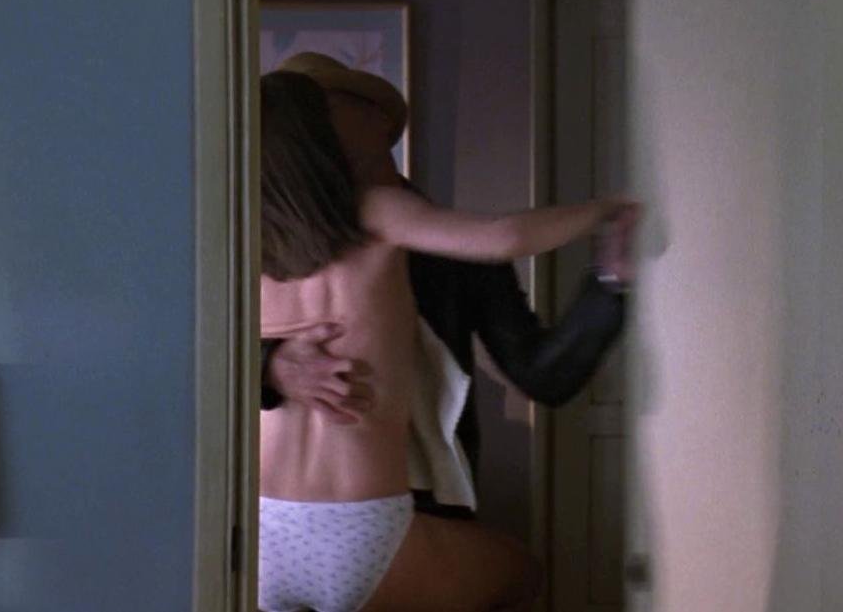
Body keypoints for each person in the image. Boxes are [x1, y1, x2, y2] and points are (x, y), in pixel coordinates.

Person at [257, 70, 634, 612]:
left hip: (273, 524)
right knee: (523, 575)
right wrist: (607, 211)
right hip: (364, 524)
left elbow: (541, 371)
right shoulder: (378, 214)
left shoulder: (254, 240)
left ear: (374, 122)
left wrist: (609, 281)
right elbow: (506, 234)